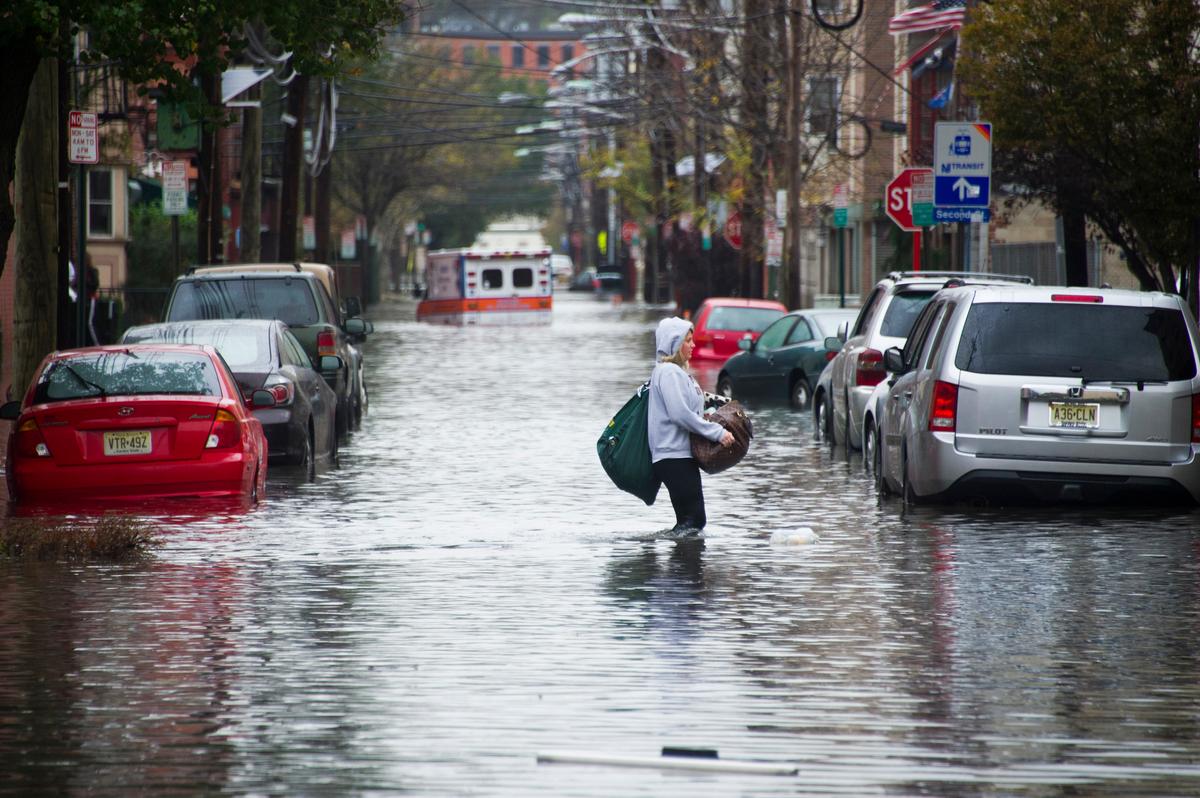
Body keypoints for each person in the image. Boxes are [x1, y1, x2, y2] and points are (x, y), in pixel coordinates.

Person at [648, 316, 734, 533]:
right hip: (674, 456)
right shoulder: (668, 373)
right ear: (674, 344)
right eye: (687, 340)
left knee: (690, 522)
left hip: (678, 456)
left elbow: (689, 409)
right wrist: (716, 433)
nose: (693, 345)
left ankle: (682, 564)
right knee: (694, 522)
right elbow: (680, 415)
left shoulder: (676, 373)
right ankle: (679, 565)